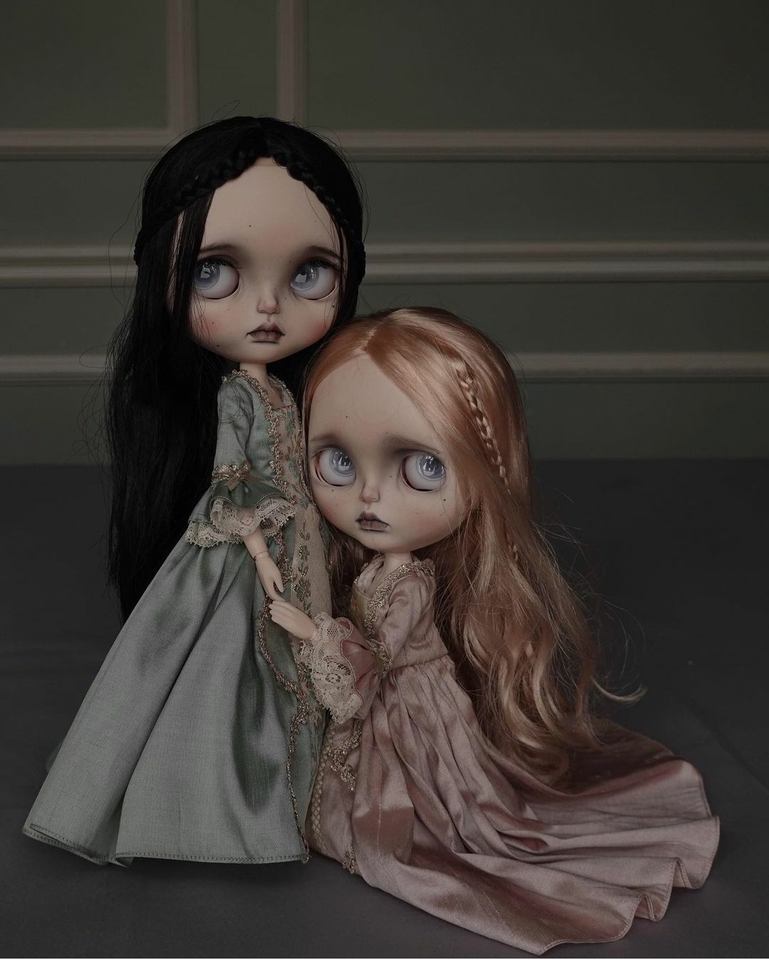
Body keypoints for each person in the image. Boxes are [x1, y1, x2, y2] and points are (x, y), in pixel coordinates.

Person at [270, 307, 719, 954]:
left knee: (435, 806)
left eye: (421, 469)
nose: (369, 496)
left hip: (410, 706)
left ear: (487, 471)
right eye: (337, 463)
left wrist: (313, 636)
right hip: (383, 698)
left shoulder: (410, 583)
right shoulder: (369, 567)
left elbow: (375, 657)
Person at [23, 116, 365, 865]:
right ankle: (224, 799)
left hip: (297, 534)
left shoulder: (289, 390)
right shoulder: (237, 396)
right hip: (247, 547)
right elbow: (230, 480)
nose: (267, 308)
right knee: (230, 662)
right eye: (215, 273)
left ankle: (310, 775)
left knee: (301, 649)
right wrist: (261, 553)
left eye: (309, 274)